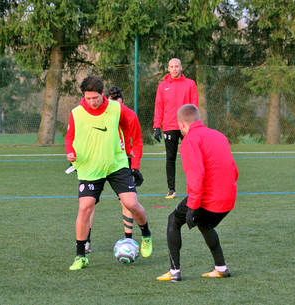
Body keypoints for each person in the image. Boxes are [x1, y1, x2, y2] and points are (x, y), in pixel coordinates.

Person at [65, 76, 152, 270]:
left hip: (116, 164)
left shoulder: (116, 108)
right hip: (90, 167)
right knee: (84, 207)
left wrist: (129, 152)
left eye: (95, 98)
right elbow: (69, 137)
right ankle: (80, 255)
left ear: (102, 94)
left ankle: (146, 234)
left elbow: (130, 127)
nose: (91, 102)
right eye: (87, 98)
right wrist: (69, 151)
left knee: (131, 203)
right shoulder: (76, 113)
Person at [156, 104, 238, 282]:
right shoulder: (219, 135)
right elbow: (234, 170)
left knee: (173, 220)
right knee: (205, 223)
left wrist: (192, 207)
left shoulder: (189, 140)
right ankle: (221, 268)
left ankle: (174, 271)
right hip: (229, 198)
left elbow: (196, 174)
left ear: (182, 125)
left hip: (210, 199)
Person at [84, 86, 144, 253]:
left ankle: (129, 241)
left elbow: (137, 141)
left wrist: (135, 166)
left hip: (121, 163)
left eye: (117, 104)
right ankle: (85, 242)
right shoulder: (97, 115)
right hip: (97, 163)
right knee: (89, 202)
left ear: (122, 103)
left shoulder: (130, 116)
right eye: (110, 104)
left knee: (127, 202)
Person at [153, 58, 199, 199]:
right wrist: (157, 126)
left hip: (187, 126)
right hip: (170, 126)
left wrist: (195, 125)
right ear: (168, 68)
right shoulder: (162, 86)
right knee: (170, 158)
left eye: (176, 66)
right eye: (172, 66)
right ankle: (171, 189)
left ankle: (195, 188)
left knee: (192, 158)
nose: (174, 69)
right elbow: (159, 106)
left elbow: (194, 105)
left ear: (181, 67)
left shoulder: (190, 84)